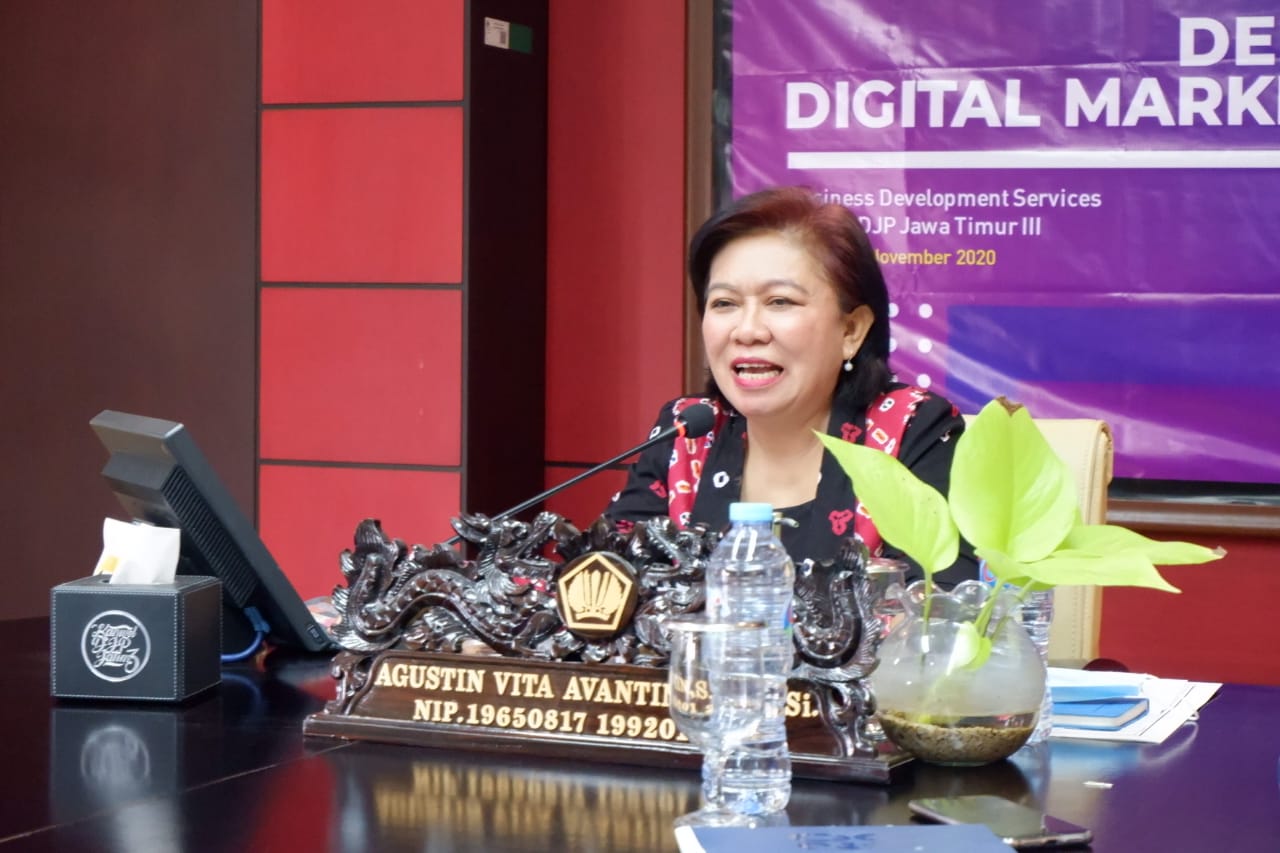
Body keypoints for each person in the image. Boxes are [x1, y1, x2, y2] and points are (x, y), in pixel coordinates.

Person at [607, 186, 976, 585]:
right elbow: (612, 586)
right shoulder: (686, 435)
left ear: (851, 330)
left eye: (780, 301)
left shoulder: (913, 430)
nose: (747, 331)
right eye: (725, 304)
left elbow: (940, 606)